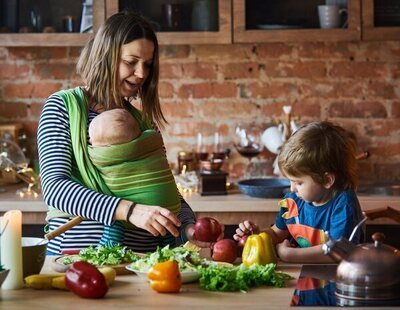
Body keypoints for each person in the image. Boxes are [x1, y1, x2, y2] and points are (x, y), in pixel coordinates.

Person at [38, 11, 207, 255]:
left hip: (144, 262)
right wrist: (130, 211)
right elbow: (56, 189)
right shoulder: (63, 107)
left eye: (147, 65)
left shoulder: (143, 120)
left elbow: (163, 189)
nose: (141, 74)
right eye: (131, 62)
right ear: (106, 56)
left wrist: (188, 226)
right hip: (78, 258)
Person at [234, 121, 364, 263]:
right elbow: (277, 234)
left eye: (299, 182)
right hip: (300, 275)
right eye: (290, 181)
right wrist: (256, 235)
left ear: (327, 180)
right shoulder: (293, 202)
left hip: (337, 278)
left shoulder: (343, 204)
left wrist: (290, 255)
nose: (292, 188)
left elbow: (339, 251)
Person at [88, 108, 180, 246]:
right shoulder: (151, 138)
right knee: (169, 235)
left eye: (93, 141)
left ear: (109, 148)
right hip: (168, 206)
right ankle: (173, 247)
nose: (91, 144)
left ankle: (108, 248)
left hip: (130, 220)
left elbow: (93, 159)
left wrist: (189, 223)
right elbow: (55, 187)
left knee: (114, 222)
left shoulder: (104, 155)